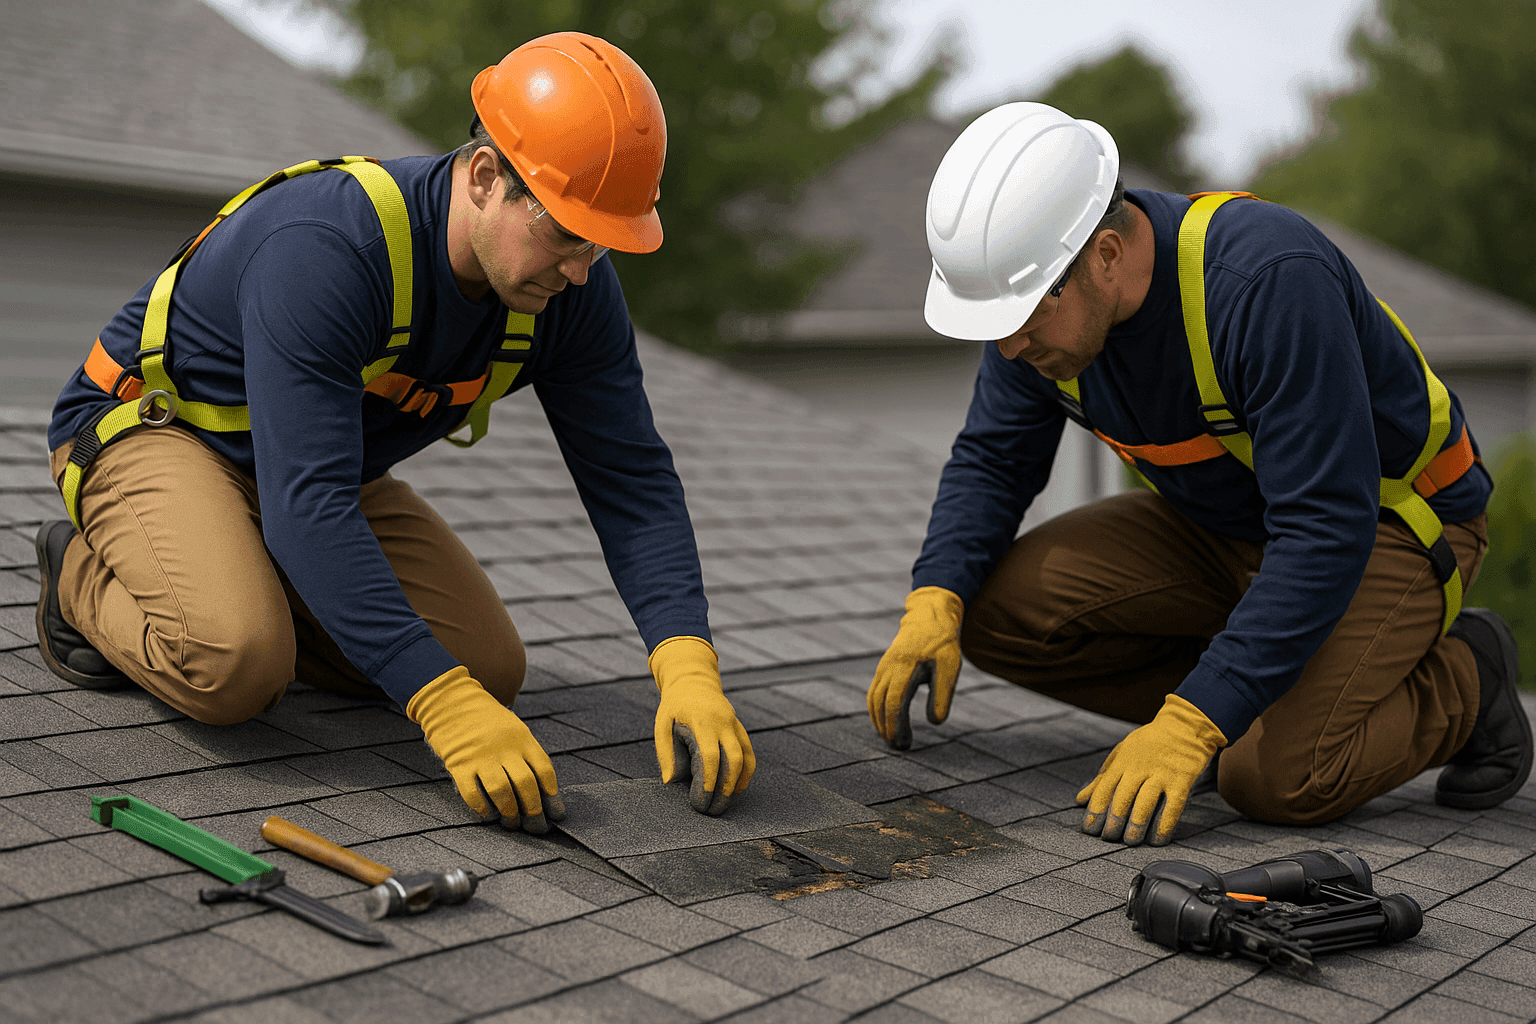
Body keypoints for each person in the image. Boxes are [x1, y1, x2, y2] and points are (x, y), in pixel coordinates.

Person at [34, 32, 754, 830]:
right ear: (484, 177)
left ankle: (241, 577)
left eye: (601, 241)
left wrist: (686, 660)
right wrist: (440, 705)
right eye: (563, 232)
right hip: (157, 433)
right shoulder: (330, 248)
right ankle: (78, 577)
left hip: (309, 469)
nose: (582, 269)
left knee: (488, 666)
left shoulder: (568, 286)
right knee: (237, 666)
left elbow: (631, 479)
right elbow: (309, 506)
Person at [867, 102, 1531, 846]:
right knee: (991, 613)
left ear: (1107, 255)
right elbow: (994, 460)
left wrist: (1192, 722)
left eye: (1024, 315)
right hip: (1227, 526)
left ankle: (1468, 680)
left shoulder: (1266, 281)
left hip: (1390, 525)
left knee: (1274, 777)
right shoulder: (1036, 320)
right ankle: (1258, 686)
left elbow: (1324, 528)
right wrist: (935, 596)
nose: (1011, 345)